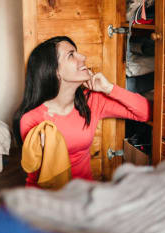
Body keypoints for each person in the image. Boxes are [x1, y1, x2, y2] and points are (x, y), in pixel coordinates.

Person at [13, 36, 151, 187]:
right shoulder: (31, 119)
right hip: (51, 196)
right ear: (55, 71)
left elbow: (145, 112)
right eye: (71, 55)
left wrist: (109, 88)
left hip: (84, 193)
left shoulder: (92, 101)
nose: (83, 57)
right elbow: (35, 176)